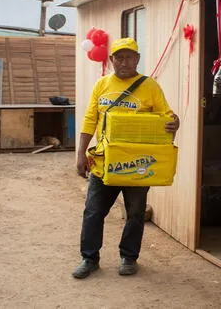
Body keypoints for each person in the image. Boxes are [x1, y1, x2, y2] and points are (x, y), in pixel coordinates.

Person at [72, 37, 180, 279]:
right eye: (118, 57)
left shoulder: (150, 86)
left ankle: (129, 258)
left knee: (135, 213)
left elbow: (167, 116)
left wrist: (175, 121)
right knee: (93, 211)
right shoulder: (102, 85)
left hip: (138, 164)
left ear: (137, 59)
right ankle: (89, 259)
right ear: (111, 60)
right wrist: (80, 154)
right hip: (104, 162)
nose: (123, 62)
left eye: (129, 56)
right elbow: (90, 120)